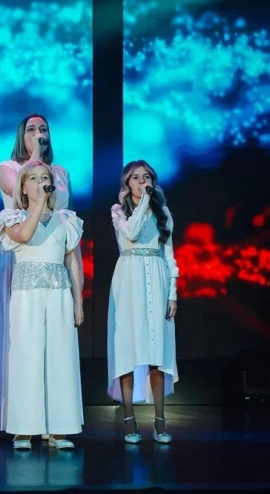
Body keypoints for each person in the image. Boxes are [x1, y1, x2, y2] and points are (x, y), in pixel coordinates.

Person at [0, 114, 75, 437]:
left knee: (53, 345)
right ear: (21, 135)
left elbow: (63, 214)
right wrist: (35, 157)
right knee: (21, 340)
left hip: (51, 255)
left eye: (43, 129)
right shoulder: (6, 167)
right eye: (31, 130)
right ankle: (19, 419)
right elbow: (22, 193)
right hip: (17, 252)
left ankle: (52, 420)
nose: (38, 134)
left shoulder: (60, 173)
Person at [0, 160, 84, 450]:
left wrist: (78, 301)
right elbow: (24, 236)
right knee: (26, 356)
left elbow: (72, 261)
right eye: (34, 178)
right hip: (27, 296)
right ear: (23, 187)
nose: (41, 182)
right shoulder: (11, 218)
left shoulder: (66, 220)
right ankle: (24, 429)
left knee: (59, 358)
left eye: (45, 177)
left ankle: (59, 428)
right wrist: (38, 204)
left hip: (58, 294)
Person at [107, 160, 179, 444]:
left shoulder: (163, 212)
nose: (141, 182)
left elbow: (169, 254)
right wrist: (146, 200)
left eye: (146, 177)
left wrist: (172, 293)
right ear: (127, 184)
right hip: (129, 280)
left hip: (157, 277)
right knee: (128, 348)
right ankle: (129, 419)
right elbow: (132, 232)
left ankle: (160, 421)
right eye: (135, 178)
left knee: (156, 351)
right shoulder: (118, 211)